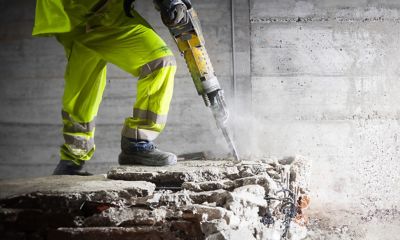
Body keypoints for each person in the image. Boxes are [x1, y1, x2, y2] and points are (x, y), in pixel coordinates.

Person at [32, 0, 191, 175]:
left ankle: (71, 160)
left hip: (71, 14)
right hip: (97, 12)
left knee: (83, 87)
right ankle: (136, 142)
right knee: (160, 62)